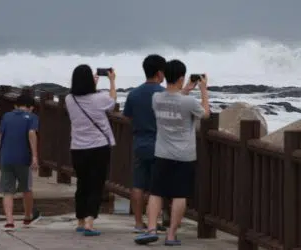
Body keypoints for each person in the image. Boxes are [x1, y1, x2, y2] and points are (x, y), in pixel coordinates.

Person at [134, 59, 210, 246]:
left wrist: (185, 89)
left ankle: (151, 229)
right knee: (179, 195)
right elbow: (205, 114)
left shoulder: (156, 98)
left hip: (162, 152)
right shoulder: (189, 102)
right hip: (184, 155)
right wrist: (203, 90)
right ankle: (171, 235)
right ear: (182, 77)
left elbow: (173, 102)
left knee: (156, 193)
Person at [65, 64, 117, 236]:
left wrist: (91, 86)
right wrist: (111, 81)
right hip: (98, 147)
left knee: (82, 184)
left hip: (78, 148)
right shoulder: (99, 98)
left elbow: (84, 96)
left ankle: (80, 221)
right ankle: (89, 222)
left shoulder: (69, 99)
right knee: (96, 185)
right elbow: (112, 102)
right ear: (90, 80)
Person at [123, 54, 170, 233]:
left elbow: (127, 116)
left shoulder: (134, 94)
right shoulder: (164, 94)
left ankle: (138, 223)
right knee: (155, 187)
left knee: (138, 185)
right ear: (159, 73)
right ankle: (152, 221)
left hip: (140, 142)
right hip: (160, 144)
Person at [0, 94, 41, 231]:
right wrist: (34, 156)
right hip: (23, 158)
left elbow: (0, 136)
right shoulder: (32, 117)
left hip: (6, 157)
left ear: (16, 106)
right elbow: (31, 133)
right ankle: (27, 217)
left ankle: (9, 221)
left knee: (7, 190)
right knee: (26, 188)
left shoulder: (6, 116)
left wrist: (3, 151)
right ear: (31, 107)